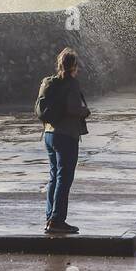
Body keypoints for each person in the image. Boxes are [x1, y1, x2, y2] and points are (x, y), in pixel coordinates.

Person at [36, 47, 90, 235]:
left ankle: (51, 217)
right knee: (64, 178)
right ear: (73, 66)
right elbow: (73, 108)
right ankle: (57, 221)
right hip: (66, 135)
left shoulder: (49, 82)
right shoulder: (71, 84)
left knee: (54, 177)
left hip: (49, 134)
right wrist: (86, 111)